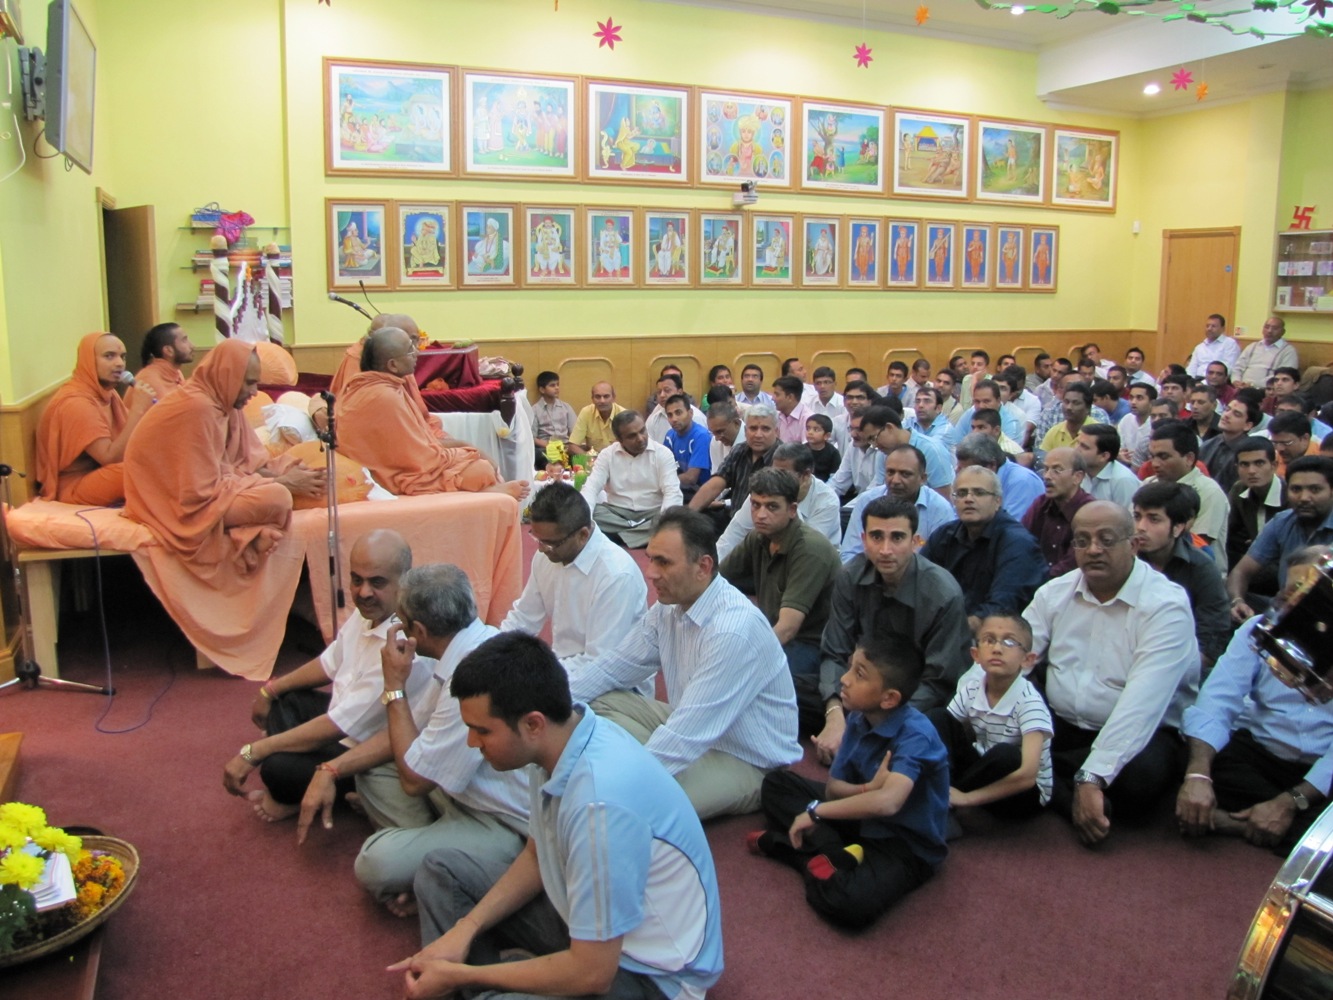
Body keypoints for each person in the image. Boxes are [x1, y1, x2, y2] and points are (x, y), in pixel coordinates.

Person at [399, 632, 723, 1000]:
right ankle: (487, 977)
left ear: (533, 724)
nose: (473, 742)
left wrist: (465, 973)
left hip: (647, 977)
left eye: (482, 730)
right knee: (440, 873)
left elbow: (593, 974)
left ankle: (474, 982)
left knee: (493, 995)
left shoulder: (598, 806)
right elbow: (538, 857)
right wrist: (465, 929)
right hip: (589, 928)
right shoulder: (563, 740)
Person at [569, 508, 802, 818]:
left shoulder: (733, 631)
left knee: (635, 807)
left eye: (663, 562)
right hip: (691, 728)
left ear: (703, 567)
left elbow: (685, 734)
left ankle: (620, 775)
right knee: (593, 701)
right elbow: (613, 667)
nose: (650, 572)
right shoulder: (670, 606)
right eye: (651, 558)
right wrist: (550, 708)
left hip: (747, 761)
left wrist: (622, 784)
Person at [123, 338, 324, 676]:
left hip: (205, 492)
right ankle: (253, 532)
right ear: (227, 375)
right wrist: (280, 485)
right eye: (248, 382)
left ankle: (258, 533)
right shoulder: (198, 407)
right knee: (278, 498)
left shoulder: (222, 403)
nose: (254, 390)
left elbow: (244, 463)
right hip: (171, 502)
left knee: (288, 475)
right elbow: (198, 490)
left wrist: (282, 474)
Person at [221, 531, 431, 826]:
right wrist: (270, 690)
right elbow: (329, 662)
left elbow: (338, 726)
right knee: (286, 700)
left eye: (377, 582)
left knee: (275, 768)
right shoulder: (371, 611)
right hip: (341, 722)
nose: (364, 592)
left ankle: (332, 787)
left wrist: (254, 751)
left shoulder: (402, 643)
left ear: (404, 582)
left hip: (366, 751)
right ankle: (307, 782)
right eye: (357, 580)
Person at [1025, 502, 1199, 846]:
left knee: (1140, 782)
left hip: (1143, 732)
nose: (1093, 550)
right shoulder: (1055, 592)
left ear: (1133, 544)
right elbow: (1016, 656)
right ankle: (1059, 781)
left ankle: (1047, 778)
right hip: (1063, 722)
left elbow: (1142, 703)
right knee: (997, 732)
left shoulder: (1166, 606)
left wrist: (1092, 776)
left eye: (1106, 540)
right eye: (1082, 540)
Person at [748, 638, 948, 928]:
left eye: (859, 674)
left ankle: (797, 852)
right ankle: (833, 853)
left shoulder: (917, 736)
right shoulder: (858, 717)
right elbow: (833, 789)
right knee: (776, 784)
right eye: (850, 667)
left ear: (889, 698)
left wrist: (816, 813)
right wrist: (867, 789)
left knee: (846, 902)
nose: (844, 679)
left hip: (902, 843)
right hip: (859, 815)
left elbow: (889, 803)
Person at [1177, 553, 1333, 850]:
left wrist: (1290, 802)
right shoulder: (1260, 629)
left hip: (1322, 771)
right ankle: (1300, 833)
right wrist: (1198, 774)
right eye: (1291, 592)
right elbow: (1216, 701)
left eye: (1308, 593)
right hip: (1262, 755)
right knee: (1189, 756)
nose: (1296, 603)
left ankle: (1237, 823)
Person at [817, 497, 971, 764]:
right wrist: (834, 713)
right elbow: (834, 651)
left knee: (933, 724)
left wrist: (866, 721)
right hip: (860, 686)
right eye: (877, 537)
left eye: (897, 538)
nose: (885, 549)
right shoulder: (850, 576)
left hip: (913, 697)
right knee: (792, 685)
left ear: (916, 542)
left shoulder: (942, 594)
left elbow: (937, 682)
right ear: (864, 540)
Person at [340, 328, 524, 499]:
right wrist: (461, 453)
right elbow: (417, 459)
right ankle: (489, 492)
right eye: (410, 351)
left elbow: (415, 441)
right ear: (393, 365)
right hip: (388, 475)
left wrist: (462, 448)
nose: (416, 354)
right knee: (480, 470)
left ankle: (488, 489)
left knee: (476, 459)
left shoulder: (384, 387)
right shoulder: (384, 396)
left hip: (397, 464)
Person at [499, 482, 648, 684]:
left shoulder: (616, 576)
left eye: (550, 543)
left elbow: (600, 663)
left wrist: (533, 677)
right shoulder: (547, 556)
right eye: (536, 538)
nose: (541, 549)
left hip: (613, 685)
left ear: (583, 535)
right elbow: (524, 618)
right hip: (563, 669)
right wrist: (492, 653)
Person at [720, 467, 841, 696]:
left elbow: (787, 629)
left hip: (813, 646)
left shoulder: (810, 549)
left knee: (747, 683)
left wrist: (744, 659)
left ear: (792, 510)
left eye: (772, 506)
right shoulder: (758, 538)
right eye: (756, 505)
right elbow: (715, 581)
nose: (760, 514)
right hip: (774, 632)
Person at [929, 612, 1052, 820]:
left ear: (1028, 659)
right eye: (989, 640)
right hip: (984, 766)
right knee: (938, 718)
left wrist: (967, 798)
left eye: (1010, 642)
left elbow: (1027, 776)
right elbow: (946, 732)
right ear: (976, 655)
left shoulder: (1030, 703)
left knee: (1007, 755)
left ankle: (942, 800)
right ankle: (943, 793)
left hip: (1022, 792)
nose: (997, 648)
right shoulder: (972, 688)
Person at [35, 332, 157, 506]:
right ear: (88, 361)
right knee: (137, 470)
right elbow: (110, 457)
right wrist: (137, 409)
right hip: (74, 485)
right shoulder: (76, 403)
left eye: (122, 357)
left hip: (99, 472)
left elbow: (129, 439)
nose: (119, 363)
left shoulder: (107, 393)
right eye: (109, 356)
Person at [921, 465, 1048, 630]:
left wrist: (945, 629)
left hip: (1001, 638)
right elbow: (919, 582)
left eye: (979, 493)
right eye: (961, 493)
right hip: (948, 629)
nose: (968, 499)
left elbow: (1002, 609)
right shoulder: (945, 534)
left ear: (998, 501)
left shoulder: (1017, 543)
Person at [1131, 481, 1231, 672]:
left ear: (1178, 528)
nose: (1141, 527)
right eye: (1137, 517)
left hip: (1180, 665)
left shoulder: (1201, 568)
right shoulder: (1125, 560)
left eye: (1154, 519)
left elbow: (1211, 639)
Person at [1229, 455, 1333, 621]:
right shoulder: (1282, 522)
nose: (1304, 497)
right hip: (1283, 609)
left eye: (1315, 490)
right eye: (1296, 489)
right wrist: (1237, 601)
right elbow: (1241, 571)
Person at [715, 442, 840, 561]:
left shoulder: (827, 501)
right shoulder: (765, 490)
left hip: (812, 563)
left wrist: (790, 497)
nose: (776, 480)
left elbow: (807, 546)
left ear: (806, 475)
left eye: (784, 474)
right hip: (769, 560)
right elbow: (735, 532)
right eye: (775, 472)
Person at [579, 410, 681, 548]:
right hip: (617, 513)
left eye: (642, 431)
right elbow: (591, 488)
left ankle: (617, 536)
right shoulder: (607, 455)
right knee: (591, 512)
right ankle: (644, 536)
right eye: (632, 436)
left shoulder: (663, 453)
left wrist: (664, 522)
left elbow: (672, 492)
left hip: (652, 513)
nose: (640, 438)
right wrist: (585, 520)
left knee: (675, 517)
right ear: (619, 440)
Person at [840, 444, 956, 563]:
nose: (895, 480)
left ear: (922, 478)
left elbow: (942, 563)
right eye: (890, 472)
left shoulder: (940, 509)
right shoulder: (867, 501)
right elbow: (850, 554)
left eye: (905, 474)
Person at [1145, 420, 1229, 572]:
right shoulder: (1147, 485)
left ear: (1189, 458)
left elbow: (1197, 544)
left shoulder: (1208, 492)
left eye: (1163, 457)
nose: (1155, 464)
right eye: (1152, 456)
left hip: (1196, 575)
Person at [689, 403, 779, 531]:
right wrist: (688, 514)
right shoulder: (739, 451)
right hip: (732, 520)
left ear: (776, 431)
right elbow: (715, 484)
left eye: (765, 429)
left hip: (762, 526)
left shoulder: (782, 457)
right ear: (745, 429)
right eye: (753, 428)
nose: (758, 435)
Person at [1227, 437, 1286, 602]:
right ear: (1236, 468)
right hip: (1254, 561)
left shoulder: (1289, 494)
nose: (1251, 471)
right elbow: (1229, 530)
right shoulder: (1239, 490)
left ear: (1273, 466)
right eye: (1244, 465)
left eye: (1259, 463)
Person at [1022, 447, 1095, 576]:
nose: (1047, 476)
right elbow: (1021, 543)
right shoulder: (1041, 504)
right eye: (1046, 469)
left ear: (1077, 477)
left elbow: (1072, 565)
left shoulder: (1090, 512)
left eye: (1057, 470)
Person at [955, 432, 1044, 521]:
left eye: (967, 470)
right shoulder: (967, 483)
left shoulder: (1023, 481)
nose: (959, 472)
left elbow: (1012, 529)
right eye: (959, 468)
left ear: (991, 466)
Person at [1200, 396, 1260, 494]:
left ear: (1247, 425)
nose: (1227, 415)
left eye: (1236, 414)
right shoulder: (1208, 445)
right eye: (1227, 409)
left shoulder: (1251, 452)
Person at [662, 393, 713, 500]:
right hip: (678, 490)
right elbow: (662, 468)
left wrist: (663, 480)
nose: (674, 419)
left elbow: (691, 478)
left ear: (690, 413)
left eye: (678, 413)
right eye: (670, 415)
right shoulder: (670, 435)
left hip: (700, 494)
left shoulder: (701, 436)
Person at [1076, 425, 1138, 508]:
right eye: (1077, 443)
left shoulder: (1123, 481)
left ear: (1104, 456)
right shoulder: (1078, 473)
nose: (1076, 449)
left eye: (1084, 447)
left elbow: (1129, 518)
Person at [133, 322, 194, 402]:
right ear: (168, 350)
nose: (192, 346)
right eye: (184, 340)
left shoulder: (176, 373)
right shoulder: (149, 381)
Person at [1234, 317, 1299, 389]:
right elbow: (1238, 367)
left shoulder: (1288, 351)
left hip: (1265, 389)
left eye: (1275, 328)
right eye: (1267, 327)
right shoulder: (1252, 346)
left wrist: (1252, 384)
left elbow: (1284, 376)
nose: (1269, 331)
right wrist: (1236, 381)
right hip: (1241, 387)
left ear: (1283, 332)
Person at [530, 370, 576, 466]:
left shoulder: (566, 407)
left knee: (580, 451)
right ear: (542, 389)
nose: (557, 388)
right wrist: (550, 446)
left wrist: (568, 446)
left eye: (557, 384)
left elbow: (575, 432)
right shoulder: (534, 410)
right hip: (546, 448)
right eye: (552, 385)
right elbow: (532, 437)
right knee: (537, 453)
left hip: (565, 447)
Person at [566, 381, 624, 455]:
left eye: (606, 396)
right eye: (597, 397)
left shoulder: (623, 415)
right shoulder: (586, 412)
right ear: (592, 399)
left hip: (616, 458)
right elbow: (573, 446)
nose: (602, 401)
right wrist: (591, 460)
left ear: (614, 398)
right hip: (593, 461)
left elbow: (627, 447)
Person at [1186, 313, 1241, 380]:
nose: (1209, 329)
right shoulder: (1199, 347)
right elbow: (1191, 368)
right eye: (1207, 326)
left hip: (1217, 380)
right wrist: (1189, 382)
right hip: (1197, 380)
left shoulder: (1230, 343)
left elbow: (1228, 369)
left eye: (1213, 326)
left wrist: (1205, 382)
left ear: (1223, 329)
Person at [1118, 383, 1157, 467]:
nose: (1133, 402)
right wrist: (1121, 455)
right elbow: (1120, 447)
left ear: (1152, 402)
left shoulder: (1156, 422)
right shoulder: (1126, 419)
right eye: (1131, 398)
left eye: (1139, 398)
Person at [772, 374, 812, 444]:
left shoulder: (808, 419)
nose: (773, 398)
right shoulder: (776, 416)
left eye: (777, 395)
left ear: (790, 397)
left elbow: (806, 450)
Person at [804, 413, 841, 481]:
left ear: (827, 436)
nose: (810, 432)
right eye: (808, 428)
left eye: (816, 430)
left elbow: (835, 476)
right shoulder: (801, 450)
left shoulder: (833, 453)